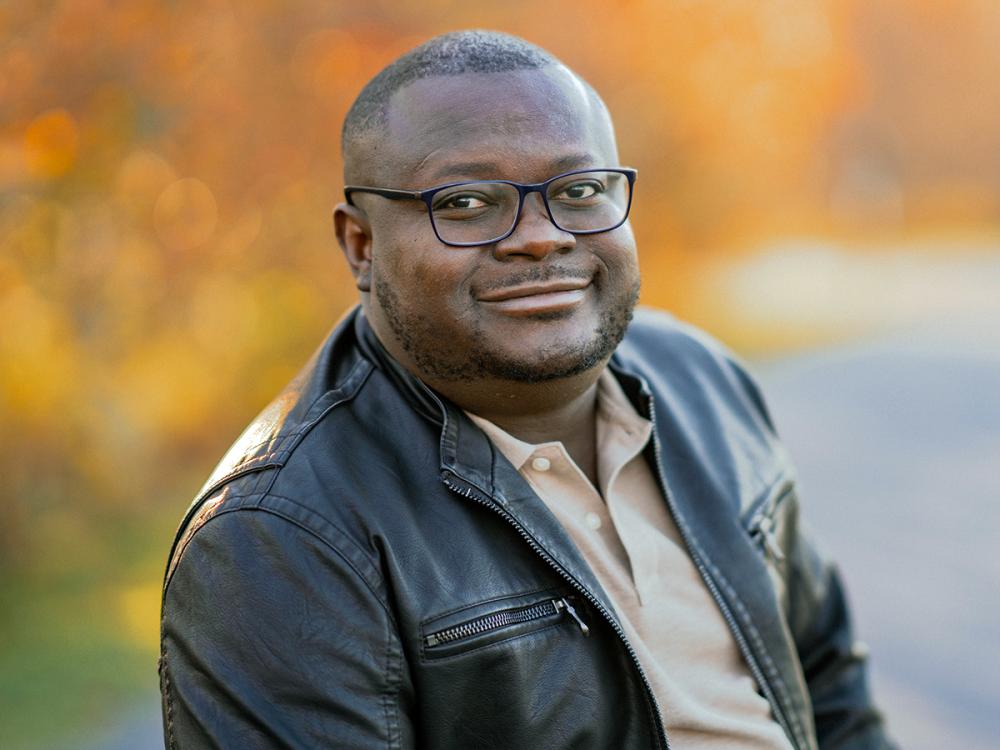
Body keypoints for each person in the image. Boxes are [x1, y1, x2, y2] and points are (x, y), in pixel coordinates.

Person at [159, 30, 896, 750]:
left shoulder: (702, 378)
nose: (540, 237)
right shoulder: (277, 539)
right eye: (467, 203)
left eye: (578, 190)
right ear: (361, 244)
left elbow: (827, 683)